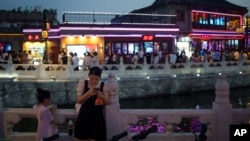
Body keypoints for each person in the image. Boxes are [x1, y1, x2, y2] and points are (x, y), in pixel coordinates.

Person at [74, 66, 110, 141]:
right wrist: (88, 93)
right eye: (91, 78)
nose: (93, 81)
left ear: (99, 77)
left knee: (97, 138)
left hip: (97, 116)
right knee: (82, 138)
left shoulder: (103, 85)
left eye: (96, 79)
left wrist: (102, 96)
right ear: (88, 76)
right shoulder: (83, 83)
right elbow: (79, 100)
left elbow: (107, 102)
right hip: (84, 115)